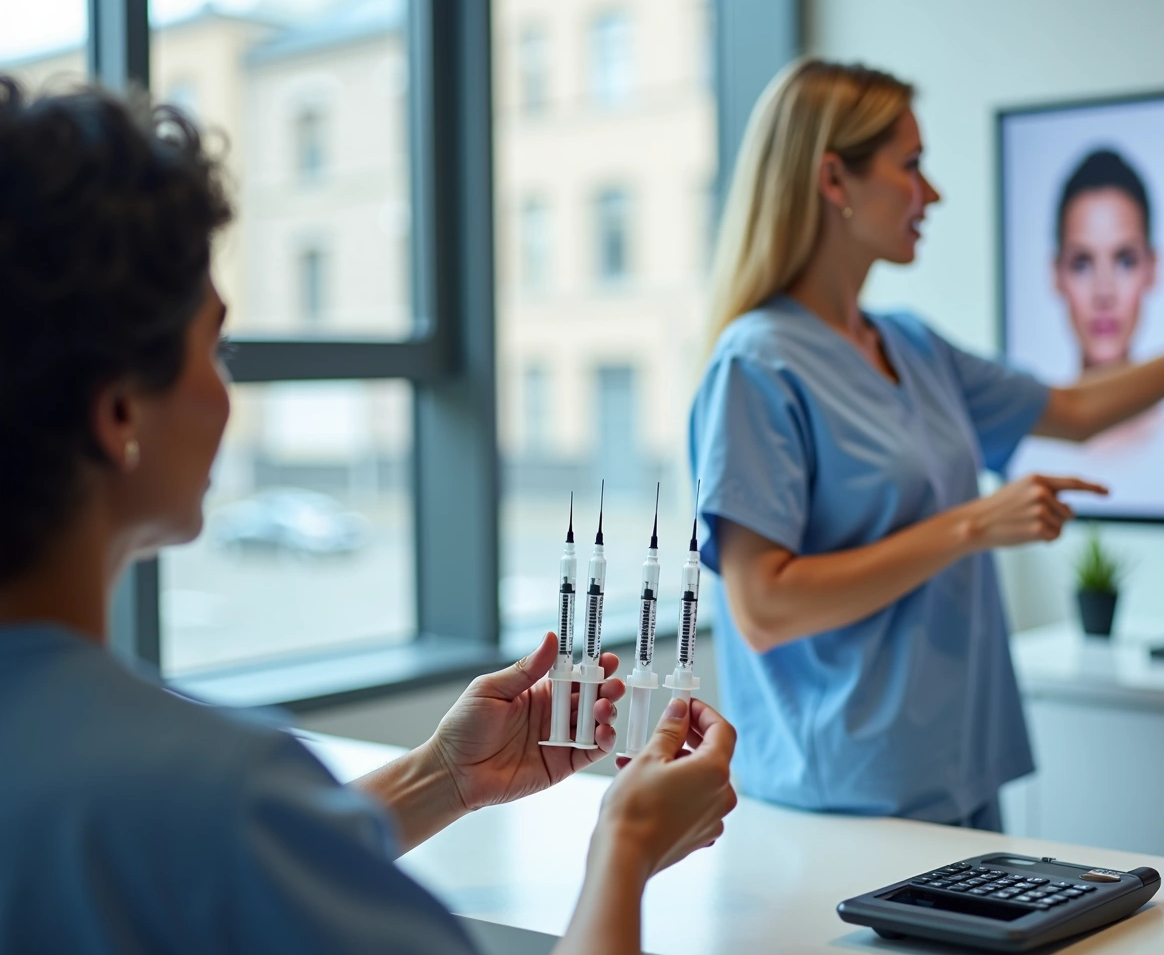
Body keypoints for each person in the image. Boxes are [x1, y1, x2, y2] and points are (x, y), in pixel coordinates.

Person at [0, 78, 736, 955]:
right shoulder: (214, 789)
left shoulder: (142, 792)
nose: (226, 390)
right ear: (119, 411)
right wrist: (627, 846)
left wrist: (442, 778)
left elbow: (226, 886)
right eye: (216, 347)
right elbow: (226, 853)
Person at [689, 59, 1164, 828]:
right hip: (842, 795)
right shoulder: (756, 366)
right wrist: (972, 524)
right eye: (911, 167)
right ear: (834, 180)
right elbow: (764, 604)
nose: (929, 193)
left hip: (957, 773)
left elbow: (1073, 408)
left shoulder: (910, 346)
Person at [1052, 147, 1163, 451]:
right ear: (1056, 275)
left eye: (1125, 261)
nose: (1104, 293)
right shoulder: (1026, 452)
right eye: (1082, 264)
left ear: (1153, 269)